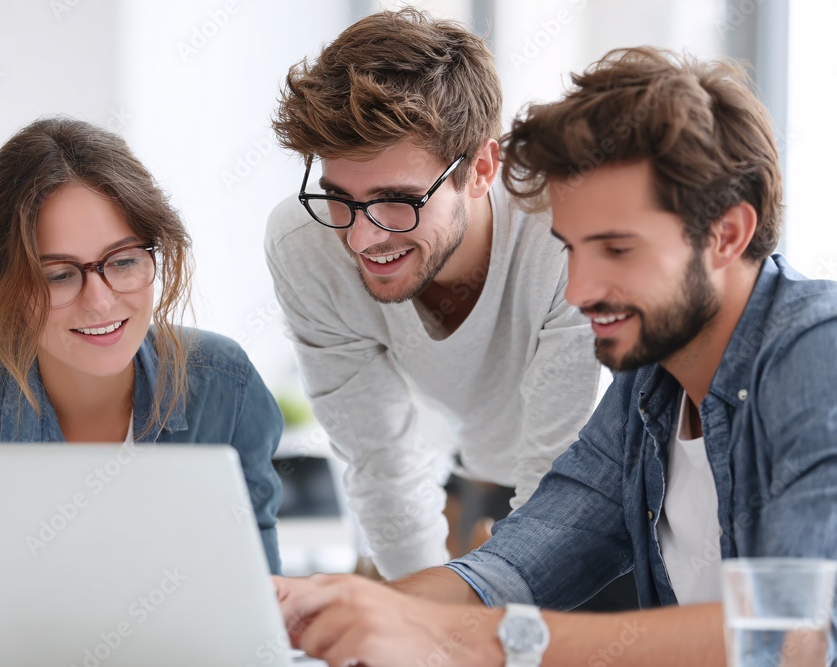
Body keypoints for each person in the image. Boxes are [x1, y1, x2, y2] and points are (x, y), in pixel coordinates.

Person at [273, 46, 837, 666]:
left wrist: (475, 642)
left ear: (727, 234)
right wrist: (327, 609)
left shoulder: (817, 349)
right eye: (571, 250)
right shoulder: (650, 389)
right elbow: (513, 567)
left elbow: (789, 637)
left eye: (617, 250)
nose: (578, 292)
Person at [0, 117, 284, 651]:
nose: (99, 301)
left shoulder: (222, 384)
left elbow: (257, 602)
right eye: (57, 274)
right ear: (2, 282)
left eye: (122, 261)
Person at [265, 8, 600, 581]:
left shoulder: (565, 228)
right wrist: (418, 627)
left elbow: (555, 477)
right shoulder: (307, 244)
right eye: (340, 196)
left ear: (481, 169)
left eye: (399, 198)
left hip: (607, 484)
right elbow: (381, 461)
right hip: (463, 470)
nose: (363, 237)